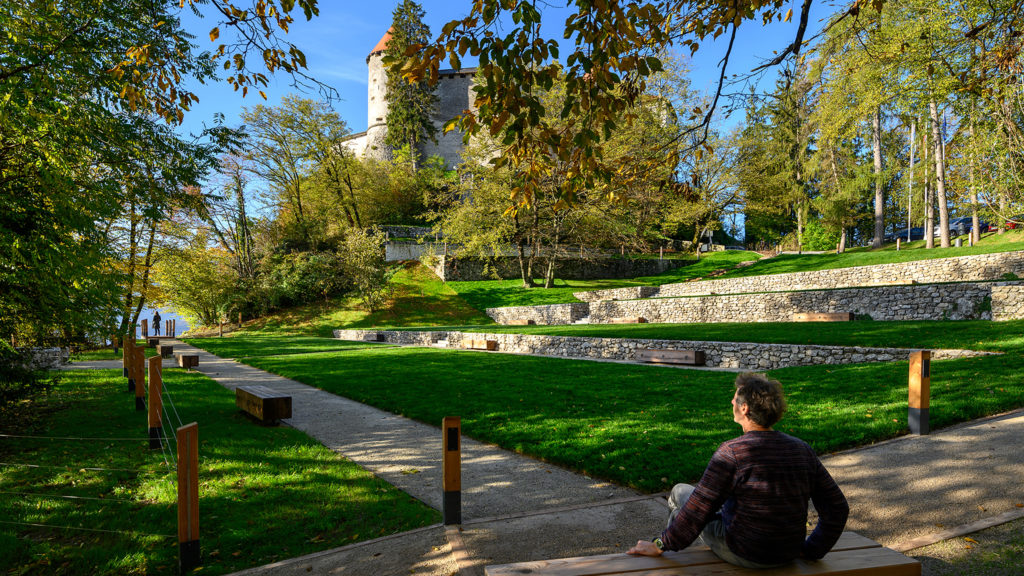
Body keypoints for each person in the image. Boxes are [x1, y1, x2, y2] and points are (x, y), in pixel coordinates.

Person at [628, 372, 849, 568]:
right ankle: (672, 545)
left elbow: (698, 510)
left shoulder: (733, 452)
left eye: (735, 398)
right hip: (788, 552)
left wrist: (660, 543)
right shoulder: (802, 449)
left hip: (746, 553)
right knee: (690, 500)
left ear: (744, 408)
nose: (731, 401)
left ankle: (665, 557)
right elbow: (837, 507)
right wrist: (812, 549)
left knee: (679, 498)